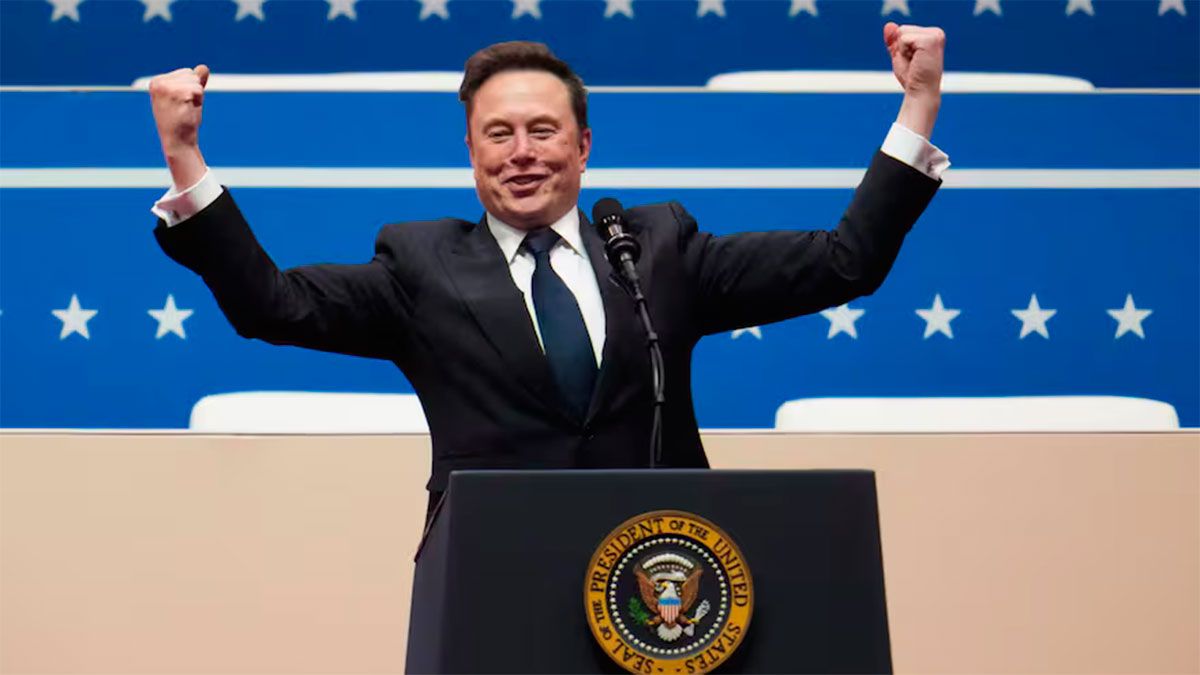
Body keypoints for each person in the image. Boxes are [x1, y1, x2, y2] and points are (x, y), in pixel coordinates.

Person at [148, 25, 949, 520]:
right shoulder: (420, 265)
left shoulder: (656, 249)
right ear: (470, 152)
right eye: (499, 134)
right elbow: (271, 304)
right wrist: (185, 154)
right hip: (491, 571)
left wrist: (917, 104)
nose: (522, 152)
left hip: (662, 570)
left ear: (584, 146)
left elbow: (846, 261)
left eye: (543, 130)